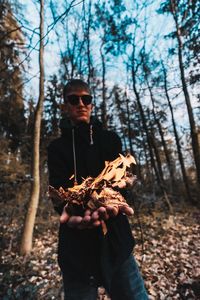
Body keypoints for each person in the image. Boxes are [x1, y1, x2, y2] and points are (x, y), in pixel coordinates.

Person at [47, 79, 149, 300]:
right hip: (76, 250)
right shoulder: (56, 149)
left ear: (92, 104)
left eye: (87, 99)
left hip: (116, 242)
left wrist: (118, 199)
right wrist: (69, 209)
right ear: (65, 105)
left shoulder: (109, 140)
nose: (81, 103)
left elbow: (123, 182)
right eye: (74, 99)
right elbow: (58, 193)